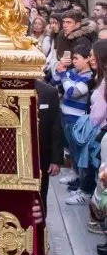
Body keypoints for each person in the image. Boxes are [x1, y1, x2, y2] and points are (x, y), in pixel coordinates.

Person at [52, 41, 94, 203]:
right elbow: (56, 80)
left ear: (87, 59)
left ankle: (83, 185)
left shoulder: (88, 77)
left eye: (77, 59)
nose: (74, 61)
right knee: (71, 148)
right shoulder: (74, 73)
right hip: (66, 116)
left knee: (78, 152)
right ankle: (75, 175)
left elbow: (72, 91)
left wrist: (64, 75)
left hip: (77, 119)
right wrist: (60, 68)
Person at [35, 78, 64, 214]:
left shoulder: (48, 92)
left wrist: (56, 160)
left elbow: (56, 127)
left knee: (40, 195)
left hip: (42, 154)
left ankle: (41, 230)